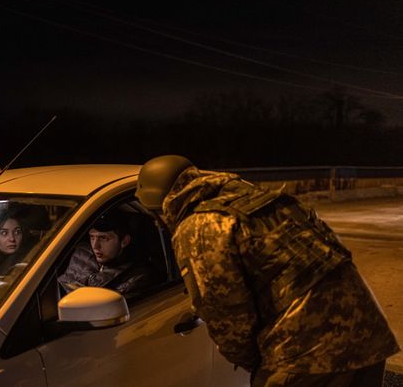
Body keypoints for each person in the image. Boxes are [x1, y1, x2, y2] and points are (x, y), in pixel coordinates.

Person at [135, 155, 400, 386]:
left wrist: (261, 366)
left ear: (160, 207)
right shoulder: (253, 196)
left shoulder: (199, 226)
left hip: (308, 352)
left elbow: (228, 319)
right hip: (368, 331)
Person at [58, 211, 162, 300]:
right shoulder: (81, 253)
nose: (95, 246)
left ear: (124, 241)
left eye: (103, 238)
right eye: (92, 237)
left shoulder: (139, 276)